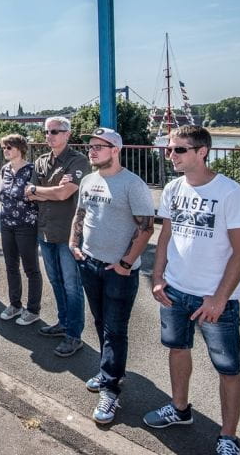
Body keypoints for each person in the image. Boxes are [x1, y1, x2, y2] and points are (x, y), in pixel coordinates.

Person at [143, 125, 240, 455]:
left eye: (179, 150)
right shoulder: (174, 188)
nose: (170, 155)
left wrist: (219, 298)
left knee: (228, 368)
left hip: (214, 299)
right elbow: (165, 236)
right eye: (169, 149)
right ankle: (179, 408)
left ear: (202, 152)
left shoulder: (231, 193)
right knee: (177, 349)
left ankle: (228, 436)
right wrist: (157, 276)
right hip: (175, 290)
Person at [69, 128, 155, 425]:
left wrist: (126, 263)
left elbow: (146, 228)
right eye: (90, 146)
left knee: (115, 330)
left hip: (118, 270)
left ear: (115, 150)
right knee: (101, 323)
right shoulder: (89, 180)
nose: (92, 151)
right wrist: (73, 243)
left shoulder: (133, 184)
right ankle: (111, 370)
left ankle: (110, 389)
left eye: (99, 147)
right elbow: (81, 214)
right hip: (89, 263)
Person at [26, 116, 90, 357]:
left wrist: (41, 190)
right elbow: (28, 193)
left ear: (67, 134)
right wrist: (45, 191)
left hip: (67, 233)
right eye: (46, 132)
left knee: (72, 286)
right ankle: (63, 322)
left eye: (55, 131)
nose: (49, 136)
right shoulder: (41, 161)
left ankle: (74, 335)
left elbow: (65, 194)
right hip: (45, 230)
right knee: (56, 282)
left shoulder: (79, 160)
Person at [0, 133, 41, 326]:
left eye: (9, 147)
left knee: (31, 269)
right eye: (4, 147)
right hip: (6, 224)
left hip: (26, 225)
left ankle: (33, 309)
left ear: (20, 149)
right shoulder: (5, 170)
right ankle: (15, 305)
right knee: (11, 266)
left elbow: (38, 196)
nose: (5, 151)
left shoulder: (32, 170)